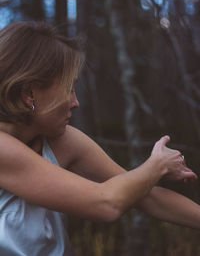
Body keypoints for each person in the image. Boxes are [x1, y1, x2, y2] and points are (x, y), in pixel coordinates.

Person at [0, 21, 199, 256]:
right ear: (29, 93)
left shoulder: (61, 140)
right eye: (69, 88)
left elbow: (146, 196)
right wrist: (157, 165)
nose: (76, 102)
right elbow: (106, 204)